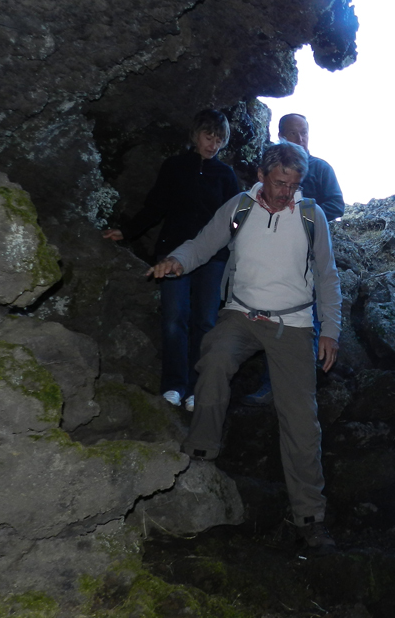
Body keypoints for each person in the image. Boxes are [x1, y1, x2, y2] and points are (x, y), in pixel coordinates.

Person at [149, 142, 341, 551]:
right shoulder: (240, 208)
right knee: (214, 358)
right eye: (279, 183)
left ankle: (309, 516)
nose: (286, 192)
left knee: (301, 421)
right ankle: (200, 452)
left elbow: (327, 276)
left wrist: (330, 332)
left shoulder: (311, 216)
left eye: (293, 185)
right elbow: (202, 244)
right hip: (240, 313)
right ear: (261, 176)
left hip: (293, 323)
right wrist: (177, 262)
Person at [102, 109, 239, 412]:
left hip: (214, 257)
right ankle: (174, 386)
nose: (212, 144)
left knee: (205, 321)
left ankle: (196, 388)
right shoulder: (175, 166)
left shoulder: (226, 176)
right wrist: (127, 231)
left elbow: (237, 221)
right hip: (172, 252)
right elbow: (156, 206)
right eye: (208, 136)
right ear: (195, 135)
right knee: (174, 318)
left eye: (218, 139)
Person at [244, 113, 345, 407]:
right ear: (281, 136)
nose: (300, 140)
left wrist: (301, 214)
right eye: (293, 134)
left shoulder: (321, 169)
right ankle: (269, 385)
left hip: (311, 255)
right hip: (274, 257)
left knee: (309, 319)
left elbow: (336, 203)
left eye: (304, 134)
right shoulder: (270, 170)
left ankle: (305, 385)